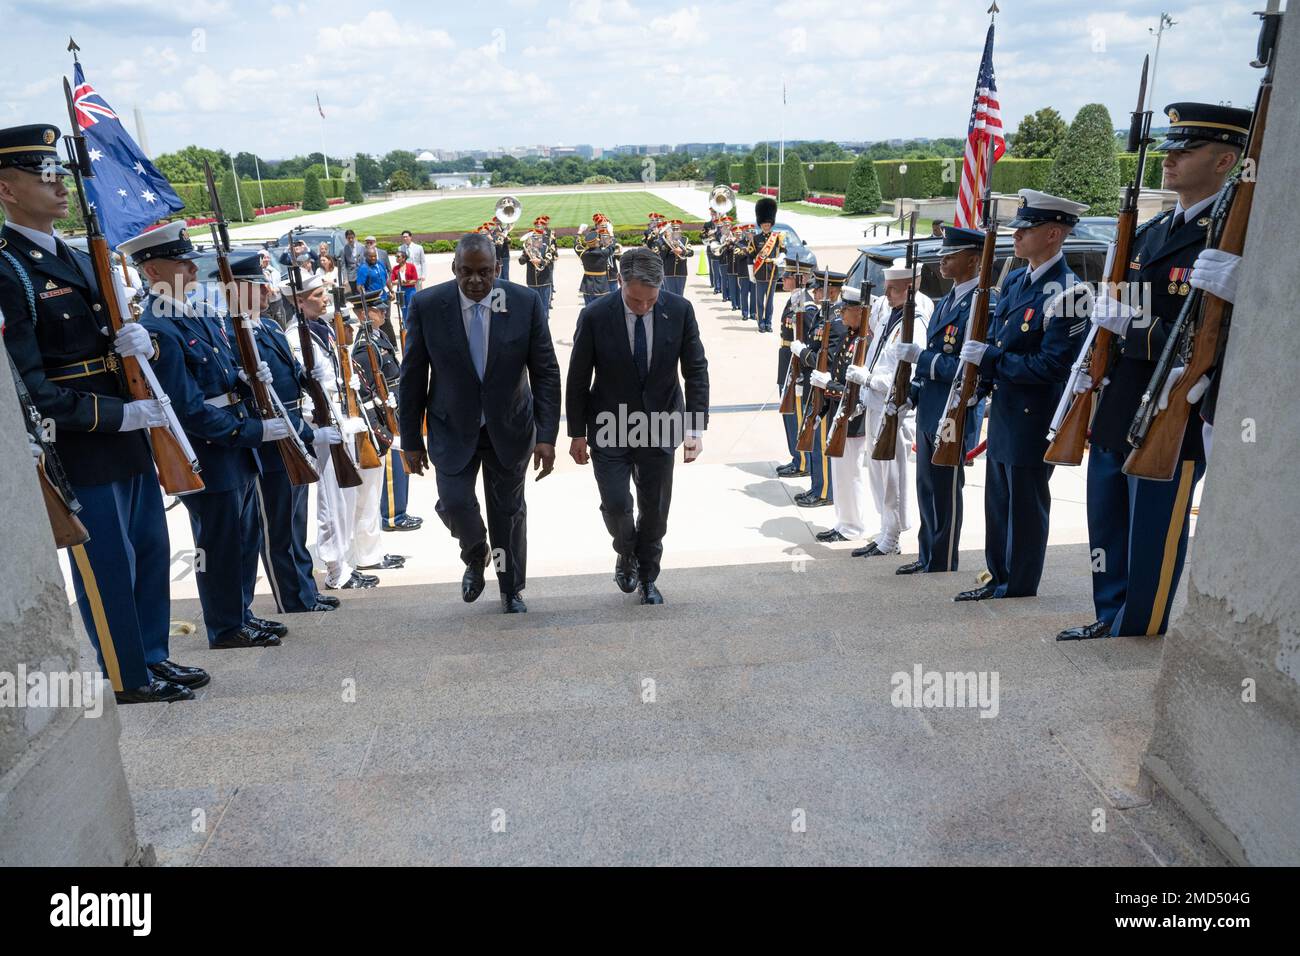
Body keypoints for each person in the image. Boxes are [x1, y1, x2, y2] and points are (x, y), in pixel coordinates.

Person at [0, 123, 209, 703]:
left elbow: (111, 340)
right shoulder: (9, 268)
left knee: (148, 549)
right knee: (108, 565)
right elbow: (28, 386)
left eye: (60, 172)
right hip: (84, 442)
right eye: (45, 175)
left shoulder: (80, 256)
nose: (60, 185)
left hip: (130, 435)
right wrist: (119, 415)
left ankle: (153, 656)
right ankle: (126, 674)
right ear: (8, 189)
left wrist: (144, 346)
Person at [1057, 102, 1251, 641]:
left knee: (1152, 526)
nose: (1170, 160)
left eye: (1185, 151)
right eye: (1169, 149)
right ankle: (1108, 611)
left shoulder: (1235, 234)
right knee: (1109, 516)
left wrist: (1131, 329)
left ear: (1224, 161)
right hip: (1123, 398)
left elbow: (1211, 339)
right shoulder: (1153, 230)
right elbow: (1125, 317)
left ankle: (1139, 622)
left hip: (1175, 404)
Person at [122, 220, 290, 647]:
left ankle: (242, 612)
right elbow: (186, 407)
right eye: (181, 263)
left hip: (234, 448)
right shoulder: (159, 327)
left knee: (244, 536)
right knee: (218, 543)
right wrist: (251, 430)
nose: (193, 270)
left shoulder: (195, 313)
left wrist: (242, 378)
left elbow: (218, 373)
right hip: (212, 450)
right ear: (153, 271)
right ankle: (226, 625)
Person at [398, 233, 561, 613]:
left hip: (509, 427)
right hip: (451, 427)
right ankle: (475, 552)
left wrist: (547, 435)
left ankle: (510, 588)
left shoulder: (523, 303)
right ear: (454, 269)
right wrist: (410, 439)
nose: (475, 281)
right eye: (466, 272)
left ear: (498, 269)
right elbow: (412, 376)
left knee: (507, 512)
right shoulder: (428, 305)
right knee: (455, 503)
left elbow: (546, 371)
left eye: (484, 272)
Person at [954, 189, 1091, 602]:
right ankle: (998, 574)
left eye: (1026, 229)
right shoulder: (1014, 278)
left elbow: (1053, 366)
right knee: (998, 500)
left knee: (1026, 504)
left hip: (1035, 414)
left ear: (1053, 234)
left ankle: (1019, 582)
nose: (1017, 235)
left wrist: (992, 359)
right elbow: (1000, 335)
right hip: (1007, 409)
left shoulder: (1070, 292)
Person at [566, 248, 709, 605]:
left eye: (650, 299)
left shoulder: (680, 310)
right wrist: (577, 434)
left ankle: (647, 577)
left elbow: (695, 370)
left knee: (656, 510)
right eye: (634, 300)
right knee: (616, 505)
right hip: (610, 424)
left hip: (661, 423)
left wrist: (695, 428)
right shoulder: (596, 315)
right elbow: (578, 377)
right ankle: (625, 551)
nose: (643, 306)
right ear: (619, 282)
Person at [222, 250, 342, 614]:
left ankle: (305, 588)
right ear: (238, 290)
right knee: (276, 526)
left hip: (294, 431)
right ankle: (292, 597)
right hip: (272, 438)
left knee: (295, 519)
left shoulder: (269, 326)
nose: (267, 292)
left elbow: (292, 371)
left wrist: (311, 380)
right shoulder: (232, 333)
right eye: (258, 287)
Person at [895, 226, 990, 574]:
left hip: (953, 412)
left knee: (946, 491)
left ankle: (943, 557)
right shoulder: (946, 300)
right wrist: (911, 394)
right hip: (930, 409)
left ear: (974, 259)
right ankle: (926, 555)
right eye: (944, 253)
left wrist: (920, 358)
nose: (943, 258)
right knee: (926, 487)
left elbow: (969, 370)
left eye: (953, 253)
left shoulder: (981, 304)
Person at [283, 275, 378, 591]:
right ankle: (336, 568)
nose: (326, 299)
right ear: (299, 300)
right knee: (332, 500)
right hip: (323, 425)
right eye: (319, 294)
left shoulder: (322, 330)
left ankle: (346, 562)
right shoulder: (296, 337)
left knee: (347, 495)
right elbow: (307, 387)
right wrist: (324, 421)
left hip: (341, 420)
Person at [812, 283, 869, 543]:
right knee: (840, 473)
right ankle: (843, 523)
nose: (841, 315)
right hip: (839, 413)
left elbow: (854, 387)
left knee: (850, 474)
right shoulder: (850, 336)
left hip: (853, 417)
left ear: (858, 311)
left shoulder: (864, 340)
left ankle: (853, 526)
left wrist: (828, 385)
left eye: (845, 310)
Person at [788, 269, 845, 507]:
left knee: (821, 441)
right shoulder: (825, 315)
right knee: (812, 437)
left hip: (825, 389)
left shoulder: (837, 320)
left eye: (819, 290)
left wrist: (803, 353)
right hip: (814, 385)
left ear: (830, 291)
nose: (815, 293)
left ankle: (824, 492)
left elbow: (828, 358)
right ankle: (816, 486)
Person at [776, 249, 816, 479]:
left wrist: (801, 373)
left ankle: (802, 461)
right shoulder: (794, 300)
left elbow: (808, 342)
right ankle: (797, 457)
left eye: (788, 275)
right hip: (786, 363)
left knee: (796, 415)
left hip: (796, 368)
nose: (783, 278)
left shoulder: (806, 307)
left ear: (801, 278)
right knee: (788, 413)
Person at [751, 197, 785, 333]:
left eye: (768, 223)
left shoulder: (777, 237)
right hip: (759, 273)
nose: (766, 225)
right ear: (760, 224)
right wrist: (751, 273)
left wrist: (780, 258)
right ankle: (761, 324)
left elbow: (783, 250)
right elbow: (750, 256)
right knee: (759, 301)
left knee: (770, 302)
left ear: (771, 224)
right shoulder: (755, 239)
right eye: (764, 223)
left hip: (772, 272)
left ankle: (769, 323)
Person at [518, 215, 558, 320]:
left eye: (537, 238)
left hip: (545, 280)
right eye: (533, 238)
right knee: (533, 308)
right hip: (532, 281)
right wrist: (526, 254)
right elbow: (521, 262)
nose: (535, 240)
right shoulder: (529, 247)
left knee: (544, 308)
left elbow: (551, 257)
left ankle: (543, 331)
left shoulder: (548, 244)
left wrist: (540, 261)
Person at [576, 216, 613, 305]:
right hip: (601, 285)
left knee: (589, 310)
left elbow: (576, 245)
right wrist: (611, 233)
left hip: (587, 285)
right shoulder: (603, 253)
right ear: (597, 241)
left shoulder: (584, 253)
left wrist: (579, 232)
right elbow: (612, 246)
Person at [657, 218, 692, 297]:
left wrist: (682, 251)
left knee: (680, 295)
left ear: (680, 230)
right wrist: (667, 243)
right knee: (669, 296)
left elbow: (691, 253)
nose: (675, 231)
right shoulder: (663, 241)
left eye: (677, 229)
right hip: (668, 272)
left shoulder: (685, 240)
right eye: (673, 229)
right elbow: (661, 256)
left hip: (681, 271)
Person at [390, 249, 419, 328]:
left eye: (398, 257)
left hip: (410, 290)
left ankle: (414, 326)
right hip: (400, 290)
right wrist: (401, 282)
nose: (396, 258)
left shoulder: (411, 266)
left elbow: (415, 280)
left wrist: (405, 282)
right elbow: (392, 281)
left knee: (412, 308)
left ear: (404, 258)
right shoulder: (395, 268)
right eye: (396, 257)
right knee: (403, 309)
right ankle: (407, 328)